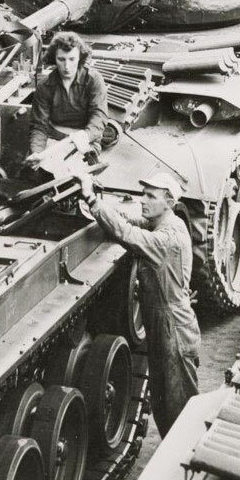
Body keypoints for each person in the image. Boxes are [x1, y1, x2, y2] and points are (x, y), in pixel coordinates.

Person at [77, 170, 200, 437]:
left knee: (180, 413)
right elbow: (131, 220)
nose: (143, 200)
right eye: (143, 194)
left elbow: (127, 233)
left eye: (151, 196)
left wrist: (91, 198)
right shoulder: (168, 222)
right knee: (164, 407)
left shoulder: (166, 240)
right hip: (165, 328)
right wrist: (103, 207)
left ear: (169, 201)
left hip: (174, 331)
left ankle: (185, 460)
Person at [25, 31, 108, 164]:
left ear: (80, 57)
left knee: (82, 170)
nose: (67, 66)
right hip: (53, 140)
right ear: (54, 58)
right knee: (38, 168)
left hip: (85, 139)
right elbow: (39, 125)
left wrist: (86, 135)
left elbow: (99, 115)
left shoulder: (93, 80)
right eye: (61, 59)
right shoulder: (44, 85)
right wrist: (37, 151)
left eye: (72, 59)